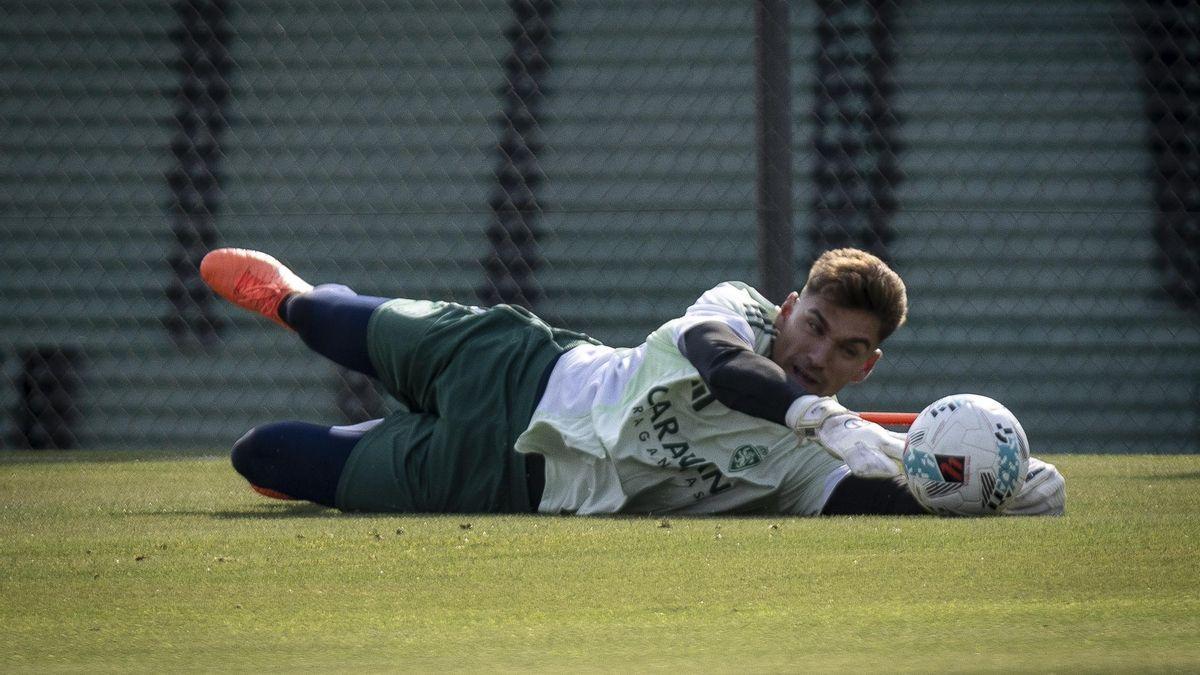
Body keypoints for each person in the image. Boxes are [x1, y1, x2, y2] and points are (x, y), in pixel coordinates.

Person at [200, 247, 1064, 517]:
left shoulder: (813, 462)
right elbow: (728, 370)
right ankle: (295, 297)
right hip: (516, 361)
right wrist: (817, 413)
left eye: (847, 350)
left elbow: (878, 500)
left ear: (868, 367)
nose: (817, 353)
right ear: (790, 304)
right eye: (814, 325)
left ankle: (363, 443)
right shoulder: (735, 310)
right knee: (319, 320)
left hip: (506, 474)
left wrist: (994, 486)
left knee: (262, 454)